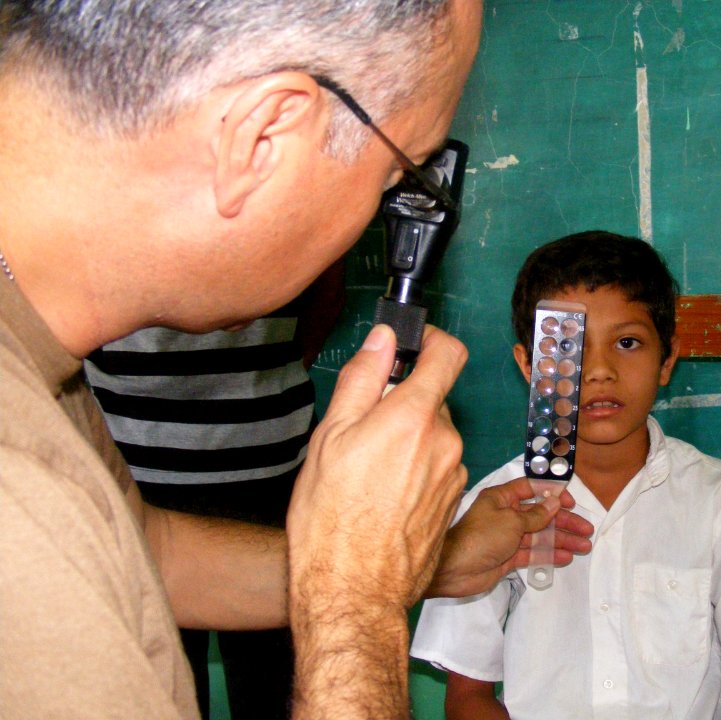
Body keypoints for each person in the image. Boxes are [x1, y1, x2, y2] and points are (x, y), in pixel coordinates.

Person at [0, 3, 595, 719]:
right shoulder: (16, 489)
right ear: (264, 135)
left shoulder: (34, 352)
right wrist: (358, 607)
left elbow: (144, 550)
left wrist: (402, 562)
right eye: (397, 179)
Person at [411, 231, 721, 720]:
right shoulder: (491, 512)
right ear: (528, 365)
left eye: (627, 342)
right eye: (566, 345)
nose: (598, 369)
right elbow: (468, 698)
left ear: (667, 359)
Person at [83, 262, 345, 720]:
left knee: (277, 687)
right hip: (129, 470)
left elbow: (326, 283)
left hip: (270, 468)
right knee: (155, 687)